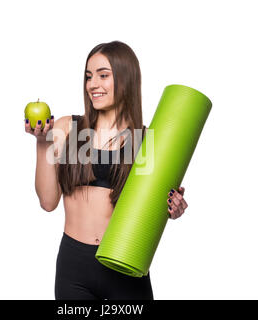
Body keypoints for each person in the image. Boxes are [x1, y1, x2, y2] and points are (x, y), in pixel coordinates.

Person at [25, 41, 188, 300]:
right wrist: (41, 142)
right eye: (89, 77)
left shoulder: (145, 140)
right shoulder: (68, 127)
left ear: (126, 78)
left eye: (103, 75)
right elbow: (47, 202)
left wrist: (172, 208)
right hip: (74, 268)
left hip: (125, 262)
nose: (92, 84)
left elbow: (151, 207)